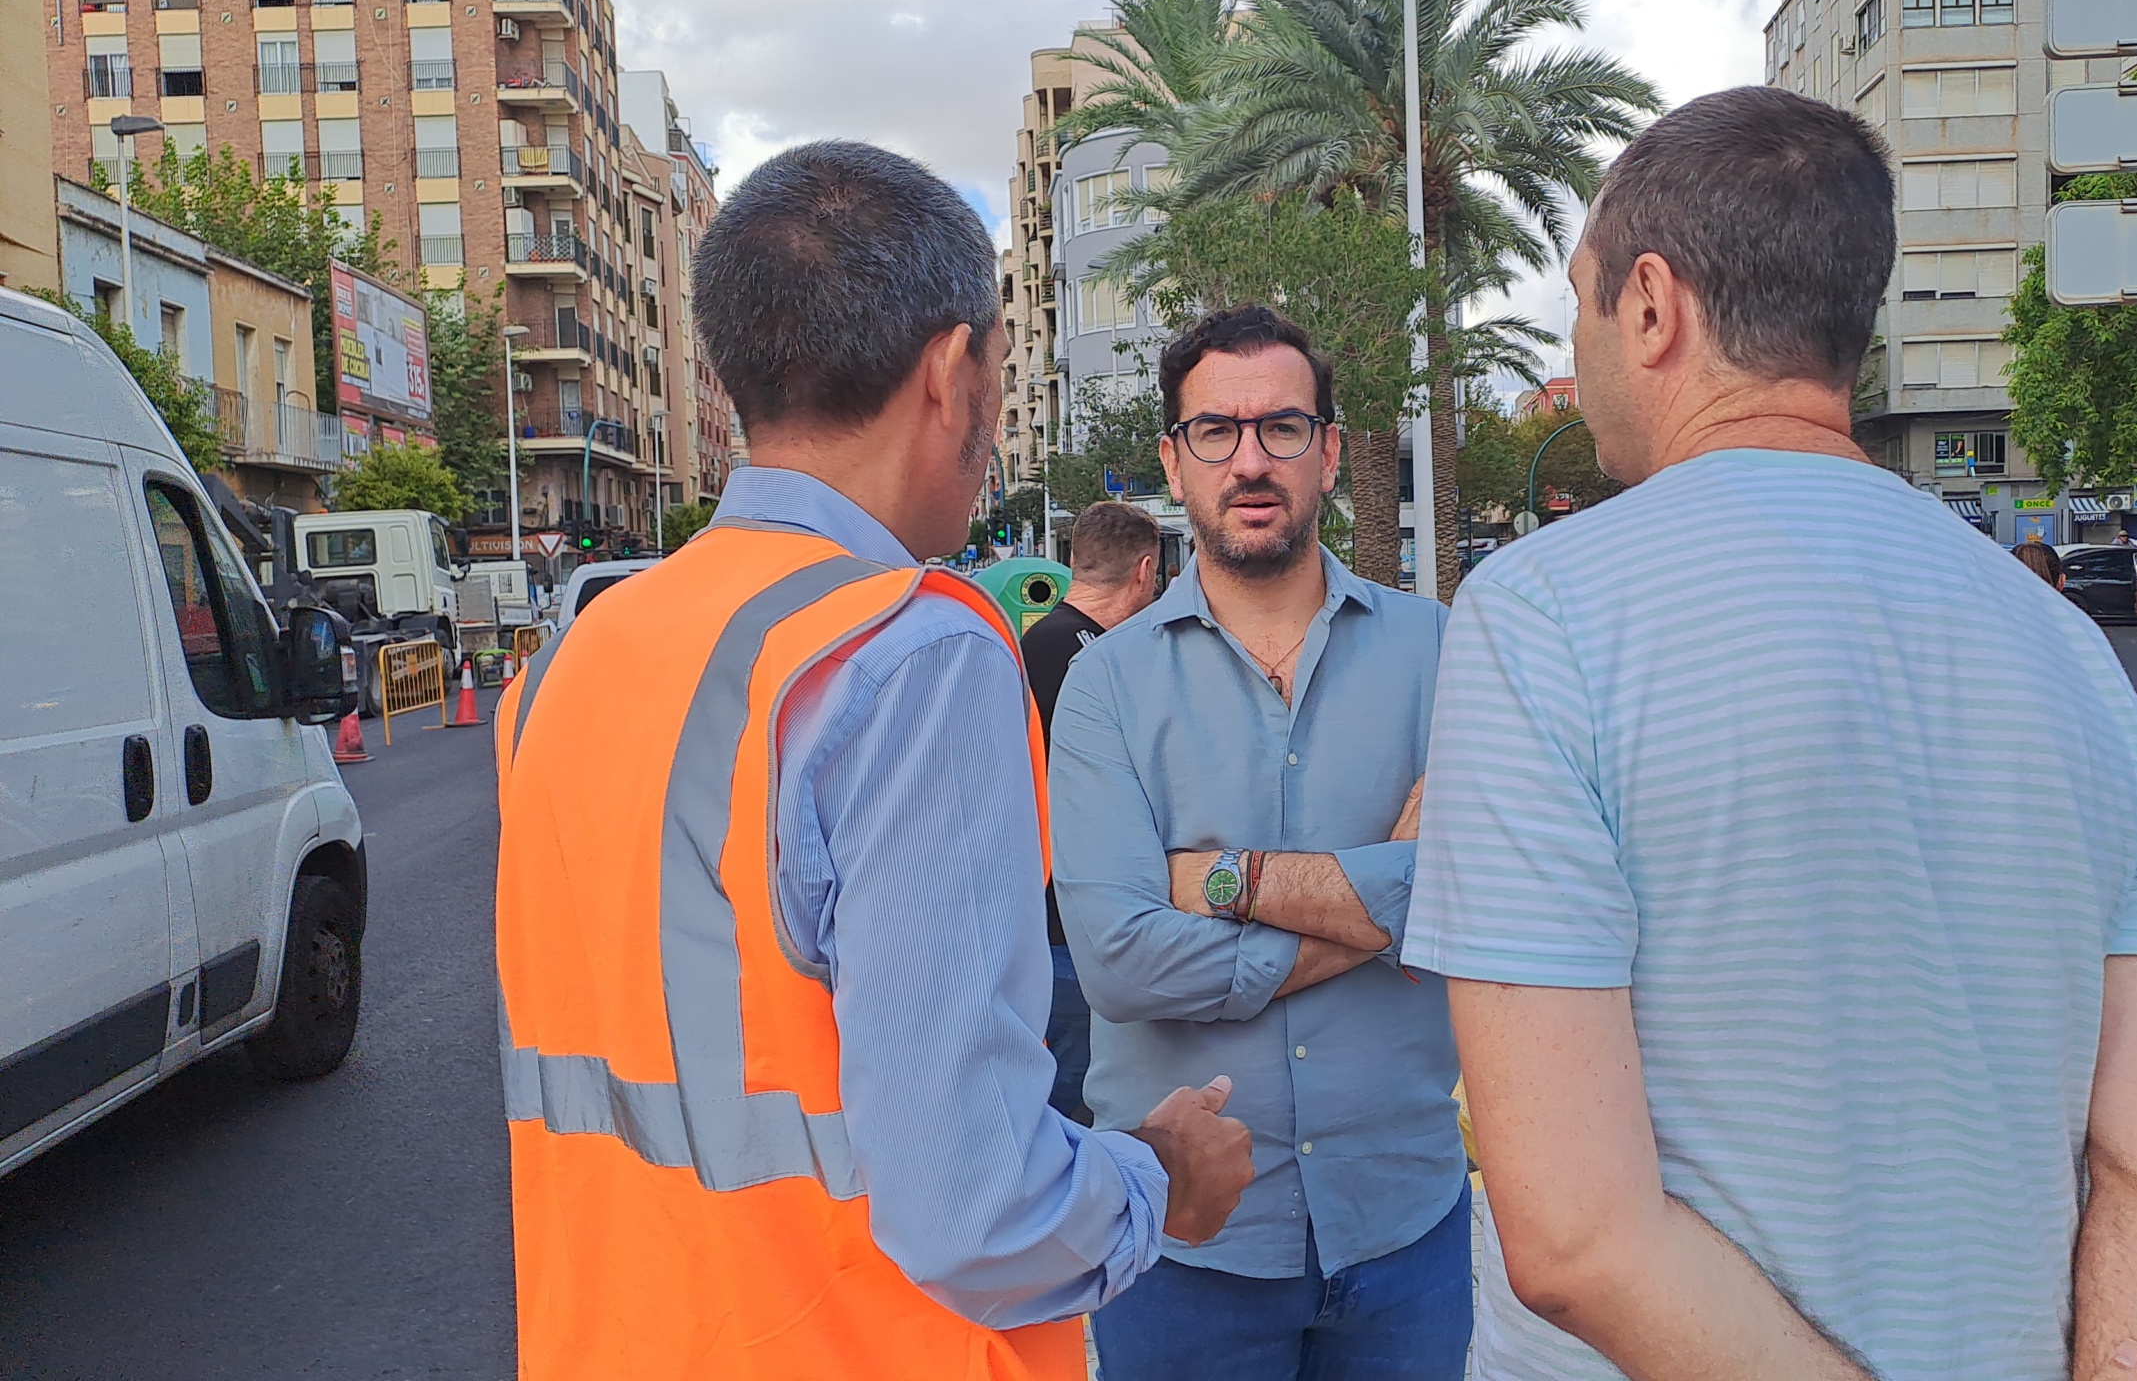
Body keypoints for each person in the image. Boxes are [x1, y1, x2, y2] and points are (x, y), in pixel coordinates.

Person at [1404, 87, 2137, 1381]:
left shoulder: (1545, 616)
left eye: (1580, 301)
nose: (1580, 350)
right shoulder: (2069, 656)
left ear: (1650, 306)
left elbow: (1576, 1236)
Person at [493, 141, 1252, 1381]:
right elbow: (977, 1209)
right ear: (952, 373)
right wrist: (1160, 1177)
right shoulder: (904, 650)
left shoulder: (570, 663)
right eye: (1000, 373)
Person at [1049, 306, 1467, 1380]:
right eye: (1214, 433)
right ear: (1171, 464)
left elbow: (1477, 893)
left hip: (1403, 1230)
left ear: (1329, 451)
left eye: (1282, 428)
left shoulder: (1443, 654)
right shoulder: (1105, 681)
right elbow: (1117, 957)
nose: (1249, 461)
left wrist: (1219, 881)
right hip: (1188, 1245)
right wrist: (1376, 914)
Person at [1022, 499, 1164, 1124]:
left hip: (1044, 919)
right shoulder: (1100, 659)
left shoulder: (1037, 643)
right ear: (1144, 570)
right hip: (1074, 930)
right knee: (1077, 1106)